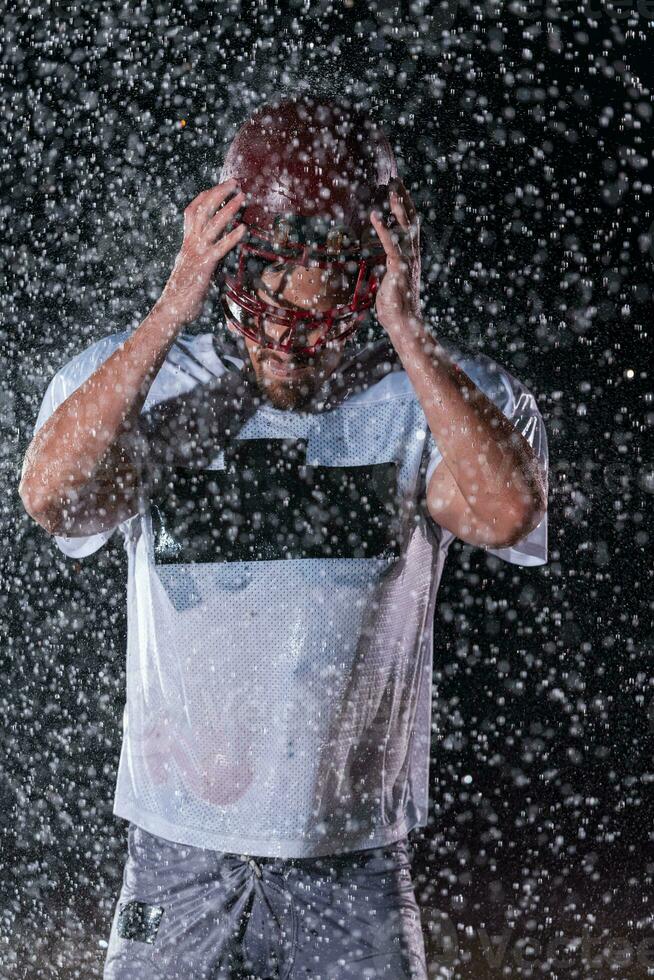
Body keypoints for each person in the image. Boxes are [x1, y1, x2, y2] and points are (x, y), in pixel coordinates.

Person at [19, 97, 548, 979]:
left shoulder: (434, 405)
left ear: (374, 274)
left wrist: (409, 337)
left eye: (319, 314)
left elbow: (505, 513)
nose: (288, 345)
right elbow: (51, 496)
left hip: (352, 850)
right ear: (224, 266)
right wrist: (166, 313)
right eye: (268, 305)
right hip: (178, 843)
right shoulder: (145, 382)